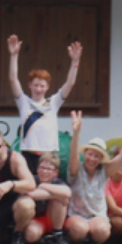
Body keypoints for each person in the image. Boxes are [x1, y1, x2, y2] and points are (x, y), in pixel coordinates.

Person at [7, 35, 81, 176]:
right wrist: (13, 55)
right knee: (29, 186)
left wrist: (75, 61)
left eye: (42, 86)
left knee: (47, 186)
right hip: (28, 154)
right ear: (30, 85)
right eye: (35, 85)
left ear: (47, 87)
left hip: (48, 155)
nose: (38, 89)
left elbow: (70, 83)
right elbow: (12, 79)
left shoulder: (53, 102)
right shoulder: (24, 102)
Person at [61, 112, 122, 244]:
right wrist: (76, 132)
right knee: (80, 229)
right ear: (85, 154)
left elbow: (120, 159)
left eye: (97, 156)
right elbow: (74, 154)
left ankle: (93, 243)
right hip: (77, 216)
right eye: (90, 154)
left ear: (101, 159)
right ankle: (78, 242)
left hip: (97, 216)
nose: (92, 159)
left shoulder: (103, 172)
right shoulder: (77, 169)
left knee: (102, 231)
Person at [21, 151, 73, 244]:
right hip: (36, 219)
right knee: (31, 235)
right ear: (37, 169)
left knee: (61, 199)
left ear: (55, 172)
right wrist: (56, 195)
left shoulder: (57, 182)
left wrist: (43, 186)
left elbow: (67, 192)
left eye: (48, 169)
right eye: (42, 168)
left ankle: (58, 235)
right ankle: (44, 239)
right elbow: (32, 194)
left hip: (54, 218)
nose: (44, 172)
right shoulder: (32, 180)